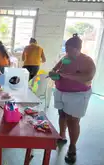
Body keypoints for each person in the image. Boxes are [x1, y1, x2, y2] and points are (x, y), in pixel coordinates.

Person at [49, 34, 96, 164]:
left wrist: (68, 76)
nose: (68, 52)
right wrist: (53, 74)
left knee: (73, 121)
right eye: (66, 49)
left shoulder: (87, 61)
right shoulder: (65, 58)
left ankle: (72, 147)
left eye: (70, 50)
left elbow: (88, 77)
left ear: (78, 48)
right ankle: (62, 135)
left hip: (78, 95)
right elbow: (54, 70)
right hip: (61, 91)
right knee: (62, 114)